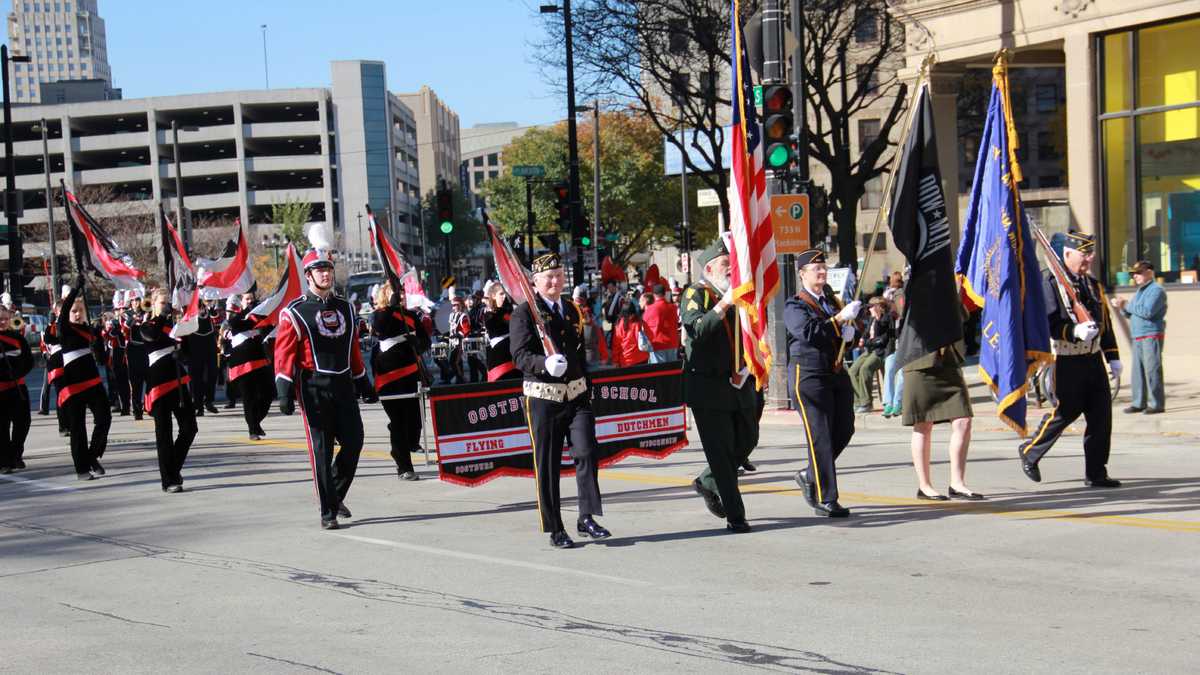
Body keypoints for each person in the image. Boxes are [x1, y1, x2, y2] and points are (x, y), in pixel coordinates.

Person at [274, 240, 377, 529]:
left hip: (343, 385)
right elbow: (284, 353)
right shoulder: (293, 312)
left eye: (328, 269)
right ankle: (327, 511)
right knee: (321, 451)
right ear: (308, 275)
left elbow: (353, 350)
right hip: (313, 389)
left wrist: (364, 381)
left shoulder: (346, 307)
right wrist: (283, 389)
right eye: (319, 270)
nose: (325, 274)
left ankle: (334, 493)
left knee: (355, 441)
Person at [510, 252, 610, 549]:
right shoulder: (525, 312)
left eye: (559, 275)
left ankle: (587, 517)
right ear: (536, 281)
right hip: (544, 396)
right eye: (549, 277)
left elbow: (579, 353)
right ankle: (555, 527)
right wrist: (544, 364)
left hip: (576, 394)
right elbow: (519, 355)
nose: (555, 281)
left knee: (587, 452)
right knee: (548, 464)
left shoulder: (571, 309)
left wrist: (587, 387)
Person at [1019, 230, 1122, 488]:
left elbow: (1105, 324)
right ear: (1066, 254)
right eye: (1084, 254)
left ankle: (1096, 472)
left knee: (1101, 417)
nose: (1089, 259)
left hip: (1093, 360)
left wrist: (1112, 357)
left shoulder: (1093, 285)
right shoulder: (1050, 283)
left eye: (1090, 254)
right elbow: (1048, 323)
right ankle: (1030, 451)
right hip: (1067, 359)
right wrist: (1073, 331)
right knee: (1065, 413)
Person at [681, 238, 757, 533]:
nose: (730, 270)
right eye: (726, 265)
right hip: (708, 387)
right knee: (722, 453)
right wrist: (724, 304)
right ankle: (735, 516)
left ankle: (706, 480)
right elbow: (697, 329)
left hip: (740, 383)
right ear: (710, 267)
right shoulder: (696, 293)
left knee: (748, 440)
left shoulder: (737, 298)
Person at [785, 249, 859, 517]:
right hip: (810, 377)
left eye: (823, 267)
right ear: (802, 273)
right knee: (821, 438)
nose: (821, 271)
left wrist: (851, 333)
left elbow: (846, 332)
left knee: (845, 429)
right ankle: (826, 498)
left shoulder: (832, 300)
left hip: (835, 373)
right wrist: (839, 321)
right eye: (815, 268)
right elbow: (809, 333)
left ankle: (809, 474)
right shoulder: (796, 305)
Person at [371, 280, 429, 480]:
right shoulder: (380, 314)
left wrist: (418, 343)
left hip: (412, 375)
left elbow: (425, 341)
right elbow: (380, 329)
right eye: (398, 294)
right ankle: (404, 466)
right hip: (389, 378)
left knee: (415, 422)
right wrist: (391, 307)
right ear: (387, 295)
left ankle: (404, 447)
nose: (403, 297)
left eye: (403, 293)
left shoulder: (411, 316)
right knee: (398, 423)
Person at [140, 289, 197, 492]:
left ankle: (172, 468)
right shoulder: (146, 325)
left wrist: (185, 330)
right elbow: (152, 336)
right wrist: (164, 316)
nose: (165, 306)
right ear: (153, 304)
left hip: (178, 380)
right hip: (159, 382)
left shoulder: (174, 327)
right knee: (164, 433)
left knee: (190, 427)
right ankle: (169, 480)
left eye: (167, 303)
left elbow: (188, 353)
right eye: (162, 303)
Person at [57, 277, 113, 481]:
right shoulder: (64, 327)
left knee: (104, 419)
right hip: (73, 385)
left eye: (80, 310)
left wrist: (98, 342)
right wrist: (75, 289)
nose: (78, 313)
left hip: (93, 382)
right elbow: (64, 313)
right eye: (74, 310)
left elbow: (100, 357)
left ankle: (92, 456)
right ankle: (81, 468)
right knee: (78, 427)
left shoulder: (88, 330)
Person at [1110, 260, 1167, 414]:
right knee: (1138, 372)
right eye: (1134, 274)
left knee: (1152, 370)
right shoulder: (1140, 291)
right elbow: (1131, 312)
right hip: (1138, 335)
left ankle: (1156, 404)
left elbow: (1147, 311)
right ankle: (1138, 402)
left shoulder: (1156, 290)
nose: (1135, 276)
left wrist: (1126, 304)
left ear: (1149, 272)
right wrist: (1122, 306)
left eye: (1139, 273)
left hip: (1151, 334)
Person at [227, 291, 273, 440]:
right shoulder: (235, 315)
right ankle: (252, 429)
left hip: (259, 360)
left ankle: (256, 422)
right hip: (242, 364)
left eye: (252, 299)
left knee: (269, 393)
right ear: (241, 301)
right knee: (249, 397)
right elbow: (236, 325)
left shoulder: (257, 316)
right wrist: (249, 310)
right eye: (247, 299)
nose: (250, 301)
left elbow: (268, 326)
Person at [0, 305, 34, 473]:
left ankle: (16, 453)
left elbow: (29, 361)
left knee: (23, 422)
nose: (3, 322)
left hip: (18, 387)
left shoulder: (17, 338)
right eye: (0, 319)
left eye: (5, 318)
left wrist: (18, 371)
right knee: (2, 426)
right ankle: (5, 461)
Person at [848, 296, 893, 413]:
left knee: (865, 369)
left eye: (871, 307)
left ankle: (867, 402)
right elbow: (867, 332)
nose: (869, 309)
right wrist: (863, 338)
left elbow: (882, 340)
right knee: (852, 371)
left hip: (880, 352)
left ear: (879, 307)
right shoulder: (872, 319)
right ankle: (859, 401)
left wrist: (877, 320)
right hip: (869, 350)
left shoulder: (885, 319)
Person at [186, 299, 220, 416]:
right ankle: (198, 406)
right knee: (196, 378)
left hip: (210, 347)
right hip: (195, 348)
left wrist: (210, 309)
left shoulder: (210, 312)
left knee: (212, 374)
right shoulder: (190, 312)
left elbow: (218, 321)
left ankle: (209, 401)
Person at [482, 281, 520, 381]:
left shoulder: (512, 311)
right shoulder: (490, 315)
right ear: (493, 296)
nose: (504, 296)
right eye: (501, 293)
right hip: (500, 362)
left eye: (506, 294)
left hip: (515, 358)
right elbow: (497, 324)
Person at [123, 292, 149, 420]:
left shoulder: (146, 312)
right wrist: (132, 318)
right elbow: (125, 329)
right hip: (133, 350)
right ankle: (137, 410)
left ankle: (149, 406)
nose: (136, 302)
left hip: (145, 349)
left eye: (137, 299)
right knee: (135, 382)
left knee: (149, 380)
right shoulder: (126, 314)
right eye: (133, 300)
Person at [642, 283, 680, 364]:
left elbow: (645, 327)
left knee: (659, 372)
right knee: (672, 371)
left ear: (653, 294)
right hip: (672, 343)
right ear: (665, 293)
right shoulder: (673, 307)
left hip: (657, 344)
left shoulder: (650, 309)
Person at [575, 287, 609, 367]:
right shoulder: (578, 326)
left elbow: (601, 344)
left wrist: (604, 357)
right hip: (587, 359)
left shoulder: (592, 327)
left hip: (589, 360)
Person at [610, 303, 649, 368]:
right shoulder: (639, 322)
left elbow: (616, 345)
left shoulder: (618, 324)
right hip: (641, 357)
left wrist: (615, 361)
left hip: (626, 359)